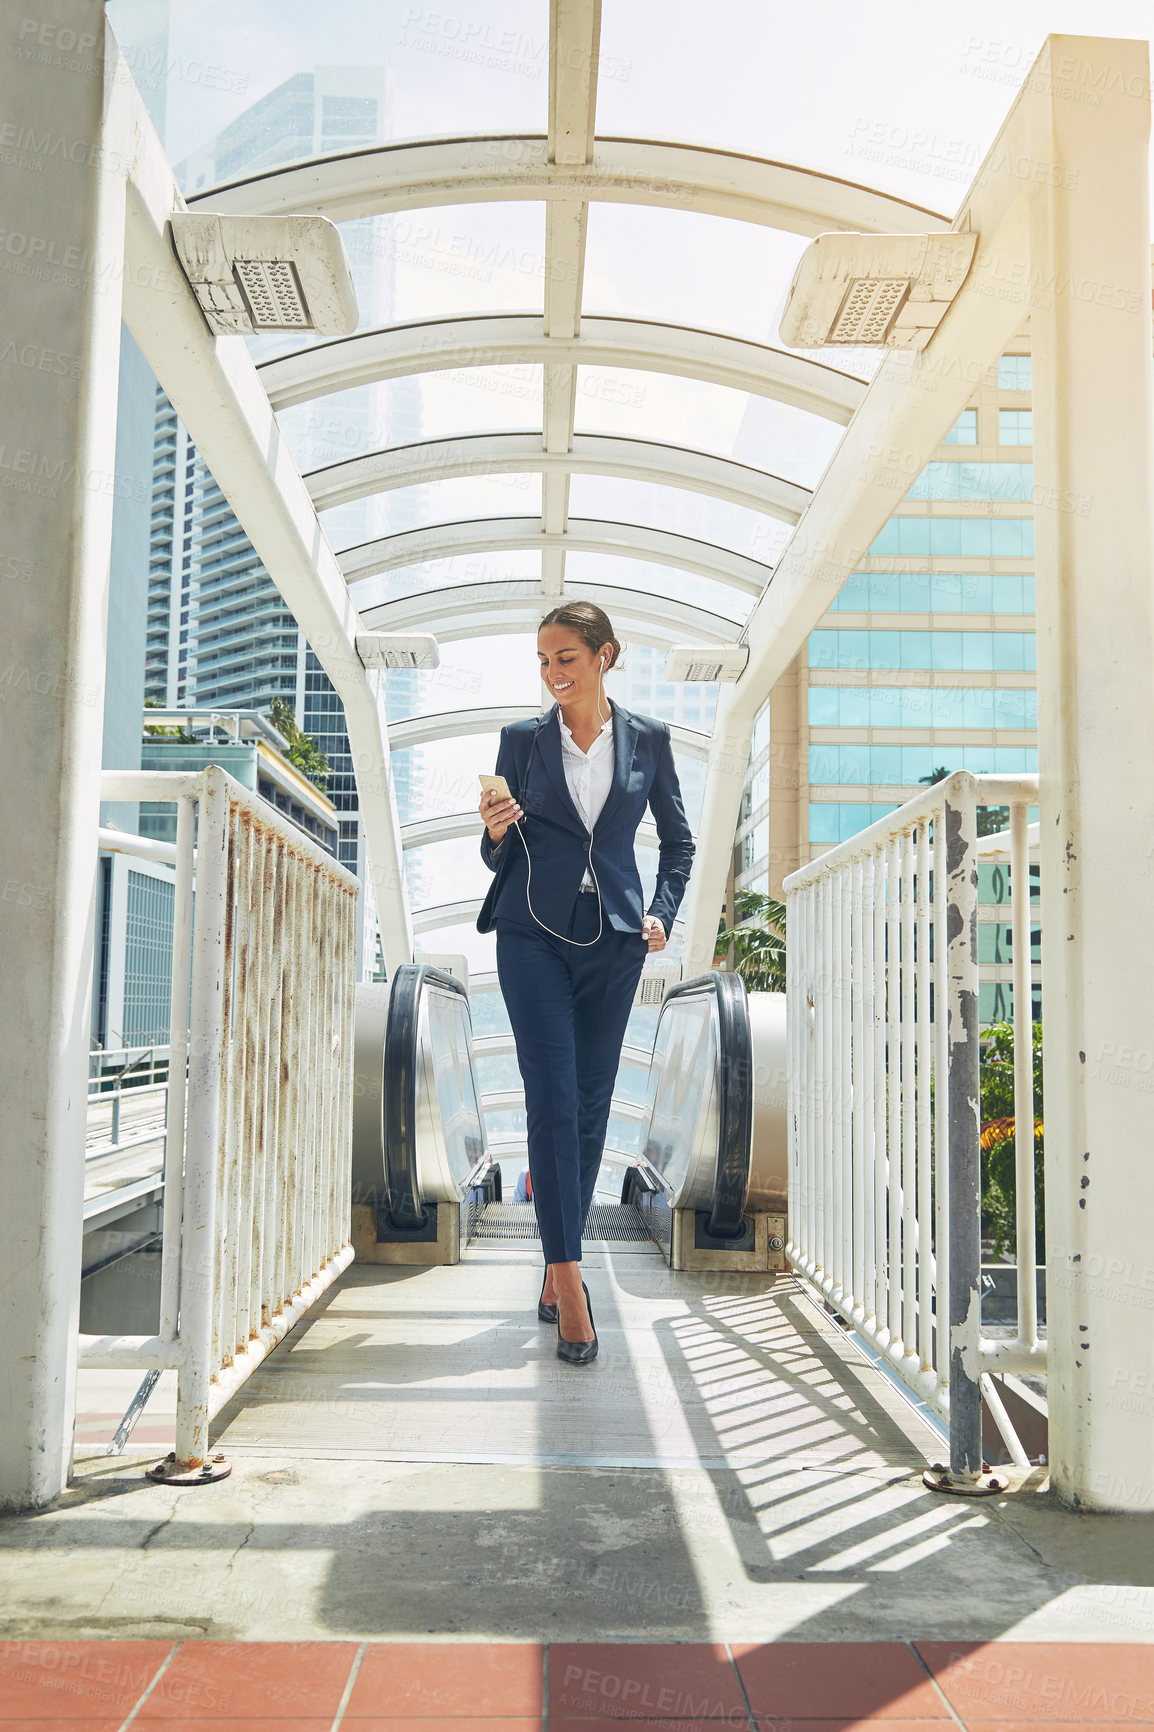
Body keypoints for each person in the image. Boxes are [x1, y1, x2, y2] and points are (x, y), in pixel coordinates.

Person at [476, 601, 695, 1364]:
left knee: (592, 1108)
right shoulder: (521, 742)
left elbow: (679, 843)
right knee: (552, 1098)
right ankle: (570, 1279)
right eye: (543, 660)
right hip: (531, 934)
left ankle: (552, 1255)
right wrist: (497, 827)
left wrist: (662, 914)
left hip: (616, 943)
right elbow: (491, 853)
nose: (553, 674)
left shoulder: (650, 742)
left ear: (607, 656)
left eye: (566, 657)